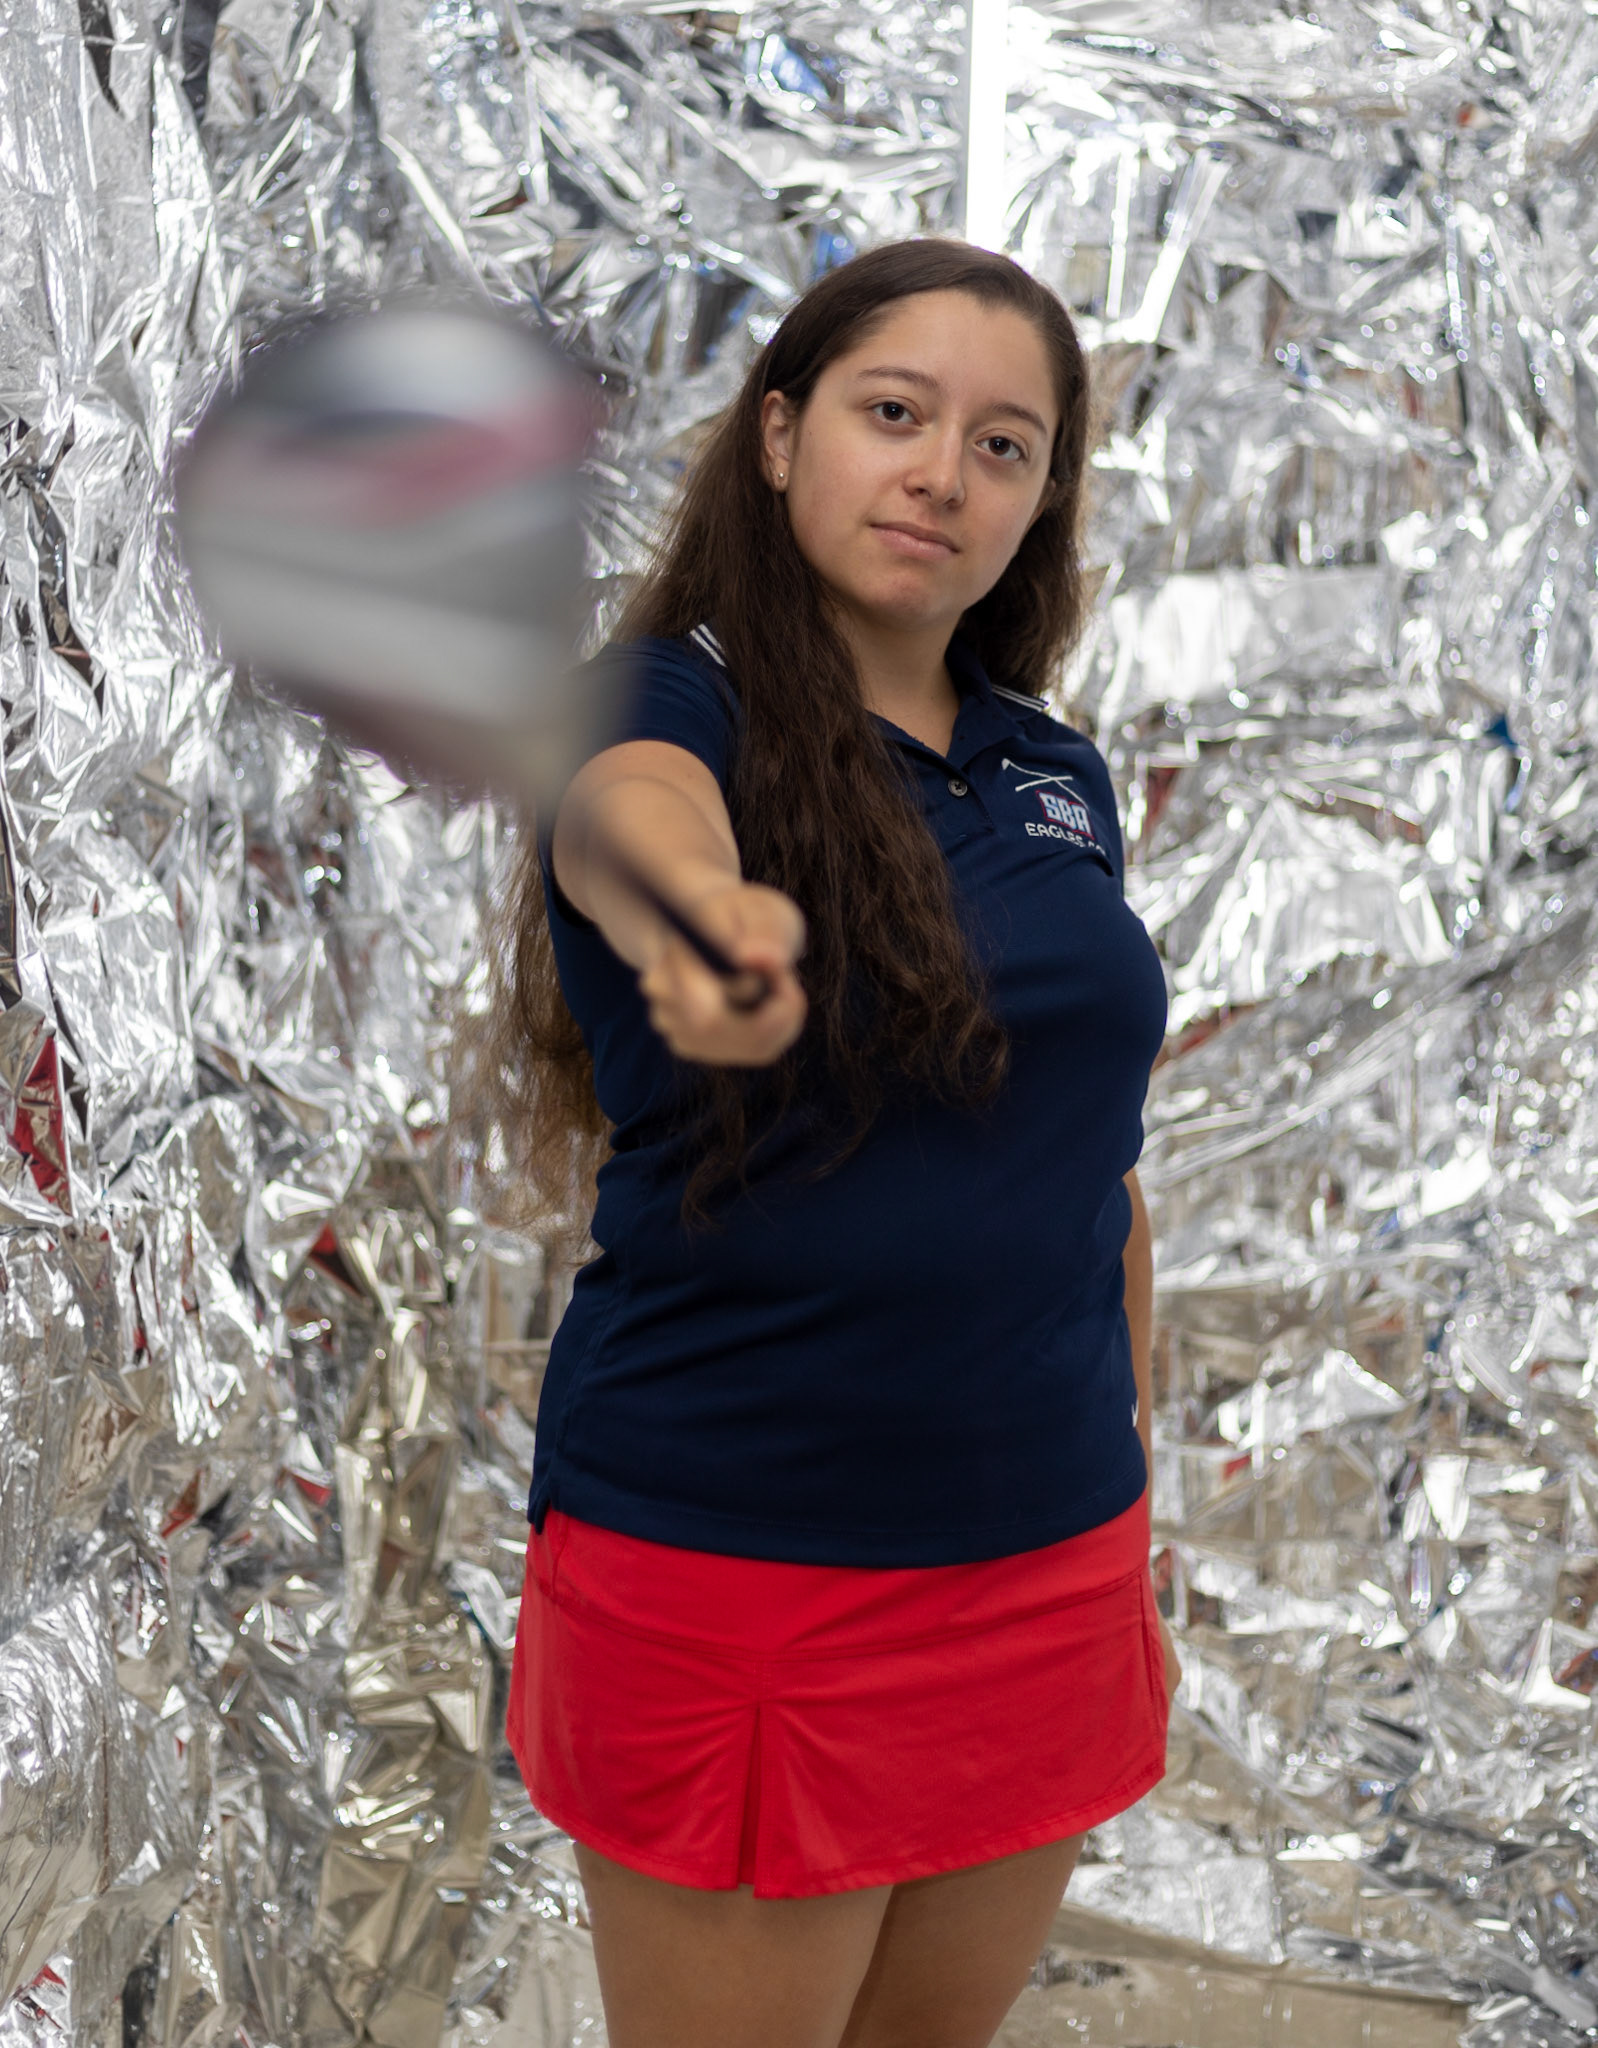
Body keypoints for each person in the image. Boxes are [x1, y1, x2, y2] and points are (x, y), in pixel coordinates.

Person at [489, 238, 1180, 2048]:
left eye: (1005, 445)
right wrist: (699, 915)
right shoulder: (669, 702)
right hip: (747, 1574)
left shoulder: (1049, 768)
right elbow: (619, 819)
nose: (944, 472)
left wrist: (1129, 1466)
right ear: (782, 436)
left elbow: (1082, 1153)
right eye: (895, 413)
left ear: (1037, 505)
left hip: (1043, 1553)